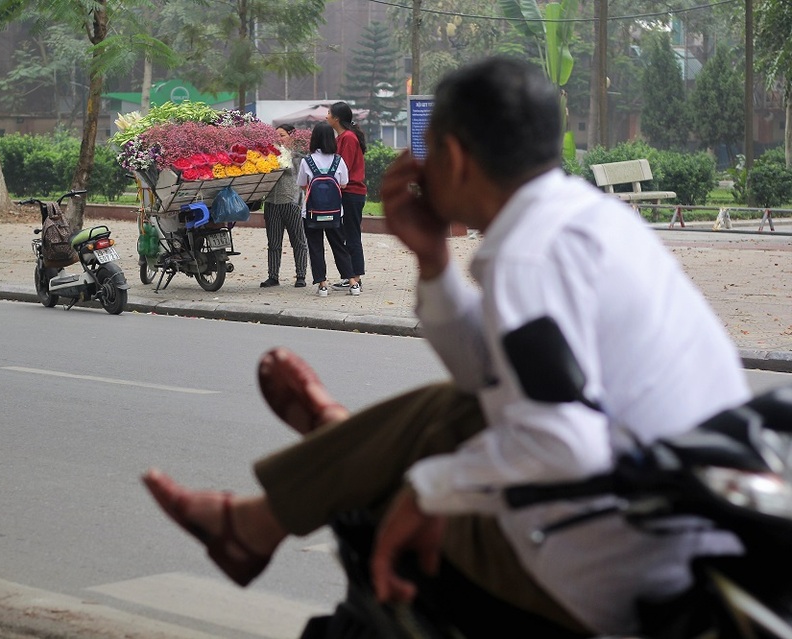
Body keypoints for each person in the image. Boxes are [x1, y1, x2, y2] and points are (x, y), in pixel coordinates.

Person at [142, 57, 751, 637]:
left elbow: (566, 442)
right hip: (674, 528)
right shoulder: (590, 220)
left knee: (390, 491)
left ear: (453, 156)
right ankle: (305, 478)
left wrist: (427, 490)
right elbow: (490, 373)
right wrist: (432, 261)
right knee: (459, 405)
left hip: (610, 564)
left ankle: (316, 470)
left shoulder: (527, 255)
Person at [296, 122, 356, 298]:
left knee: (315, 247)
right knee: (339, 246)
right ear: (332, 139)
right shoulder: (339, 160)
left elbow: (301, 184)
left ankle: (322, 285)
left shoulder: (307, 161)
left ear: (313, 139)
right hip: (336, 212)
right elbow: (344, 183)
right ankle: (353, 283)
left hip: (312, 213)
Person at [260, 124, 309, 288]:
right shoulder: (269, 154)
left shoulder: (298, 156)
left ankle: (301, 276)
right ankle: (273, 276)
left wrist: (284, 154)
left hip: (291, 202)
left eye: (282, 135)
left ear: (292, 136)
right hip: (271, 203)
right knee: (273, 243)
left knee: (298, 241)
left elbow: (298, 173)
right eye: (276, 136)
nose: (278, 139)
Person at [326, 101, 366, 294]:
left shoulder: (348, 138)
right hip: (346, 192)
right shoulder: (341, 137)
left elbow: (344, 167)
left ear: (336, 118)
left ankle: (355, 277)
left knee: (351, 235)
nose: (326, 116)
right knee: (347, 234)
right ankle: (350, 275)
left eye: (328, 113)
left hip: (351, 193)